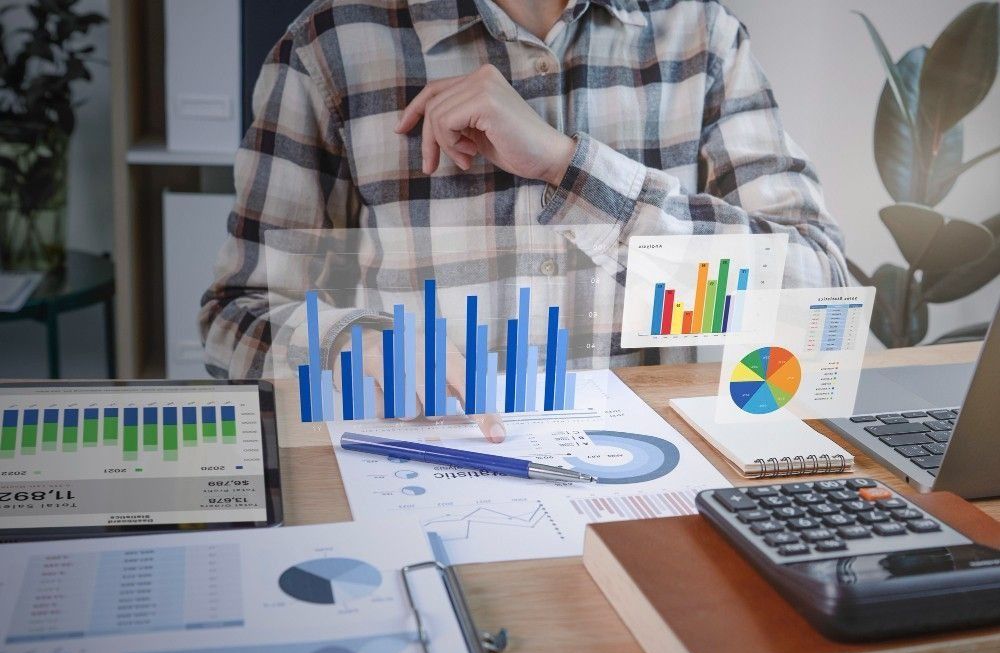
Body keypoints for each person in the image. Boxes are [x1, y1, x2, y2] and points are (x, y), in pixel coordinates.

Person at [200, 0, 848, 440]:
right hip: (426, 489)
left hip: (650, 494)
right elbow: (237, 316)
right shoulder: (330, 45)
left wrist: (568, 168)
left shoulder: (701, 36)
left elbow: (819, 294)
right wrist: (355, 346)